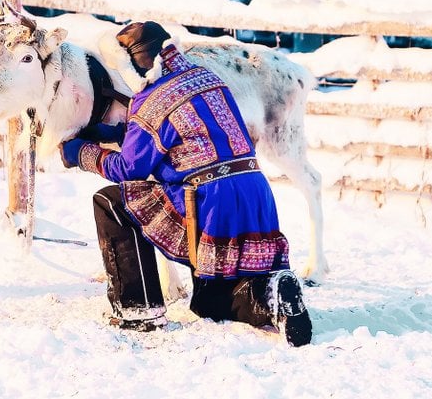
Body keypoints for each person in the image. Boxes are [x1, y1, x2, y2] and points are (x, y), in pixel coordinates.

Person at [59, 21, 312, 347]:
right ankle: (270, 294)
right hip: (254, 194)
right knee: (208, 303)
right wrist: (105, 133)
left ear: (135, 64)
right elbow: (177, 134)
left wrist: (80, 152)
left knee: (111, 202)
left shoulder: (152, 101)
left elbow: (129, 167)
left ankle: (139, 309)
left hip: (208, 202)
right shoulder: (209, 80)